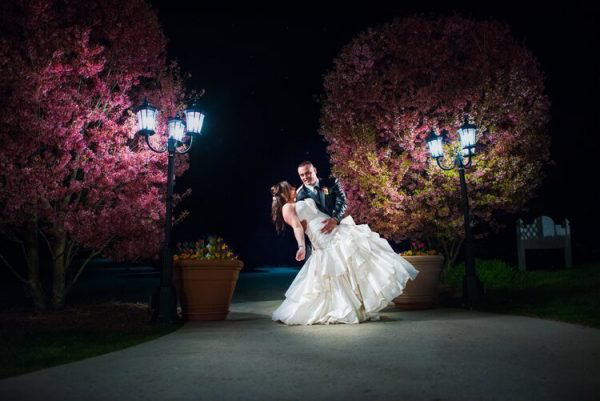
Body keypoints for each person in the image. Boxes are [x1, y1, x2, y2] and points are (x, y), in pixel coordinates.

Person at [270, 180, 419, 325]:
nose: (294, 187)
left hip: (335, 229)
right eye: (290, 188)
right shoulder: (287, 208)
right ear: (283, 194)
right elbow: (297, 227)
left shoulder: (302, 196)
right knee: (336, 268)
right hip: (322, 237)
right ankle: (342, 307)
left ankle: (357, 303)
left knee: (355, 259)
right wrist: (301, 247)